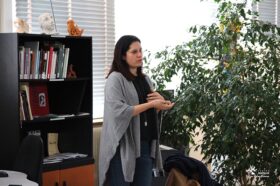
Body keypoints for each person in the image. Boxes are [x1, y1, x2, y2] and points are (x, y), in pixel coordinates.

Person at [99, 35, 174, 186]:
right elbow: (119, 112)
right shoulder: (115, 79)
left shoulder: (146, 79)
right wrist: (152, 105)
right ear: (122, 55)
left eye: (140, 50)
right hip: (122, 147)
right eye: (134, 52)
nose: (140, 55)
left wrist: (161, 105)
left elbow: (148, 114)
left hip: (144, 145)